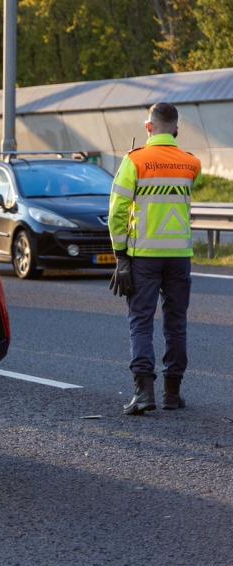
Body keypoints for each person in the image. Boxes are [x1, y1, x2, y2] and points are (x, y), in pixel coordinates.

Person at [108, 102, 201, 415]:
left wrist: (121, 256)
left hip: (144, 256)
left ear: (148, 128)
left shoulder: (135, 161)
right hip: (179, 255)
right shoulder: (191, 163)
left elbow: (117, 213)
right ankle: (172, 395)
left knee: (141, 322)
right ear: (176, 129)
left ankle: (144, 393)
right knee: (176, 324)